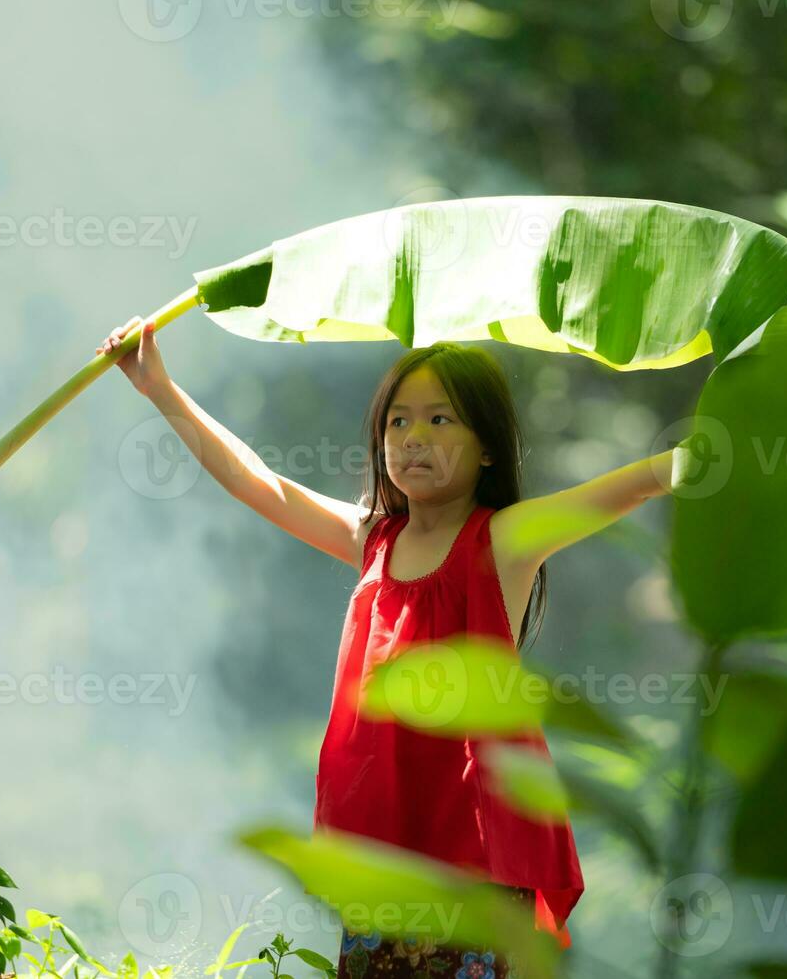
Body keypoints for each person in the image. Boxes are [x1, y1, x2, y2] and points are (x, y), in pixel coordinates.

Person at [99, 317, 681, 976]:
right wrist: (161, 390)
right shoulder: (373, 539)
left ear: (487, 447)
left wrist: (683, 463)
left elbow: (619, 490)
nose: (413, 439)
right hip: (381, 850)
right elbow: (261, 484)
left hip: (470, 853)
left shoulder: (504, 541)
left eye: (440, 421)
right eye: (398, 422)